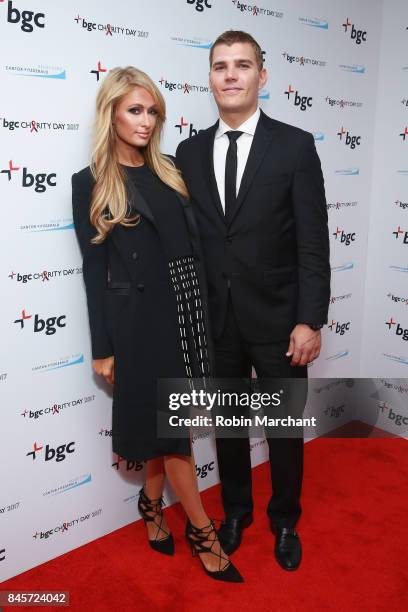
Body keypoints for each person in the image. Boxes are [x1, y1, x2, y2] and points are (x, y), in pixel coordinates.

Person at [71, 66, 243, 583]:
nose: (146, 121)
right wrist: (102, 346)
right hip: (141, 324)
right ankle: (201, 531)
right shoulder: (92, 183)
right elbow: (94, 267)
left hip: (189, 311)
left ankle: (150, 508)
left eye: (152, 112)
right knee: (175, 437)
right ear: (112, 114)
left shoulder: (170, 169)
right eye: (134, 110)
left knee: (169, 424)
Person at [176, 31, 331, 571]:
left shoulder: (294, 145)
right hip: (218, 320)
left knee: (285, 428)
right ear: (210, 78)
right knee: (230, 426)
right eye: (221, 66)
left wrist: (310, 319)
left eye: (242, 65)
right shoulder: (189, 152)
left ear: (262, 76)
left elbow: (313, 240)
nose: (231, 75)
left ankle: (285, 519)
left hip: (280, 319)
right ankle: (236, 512)